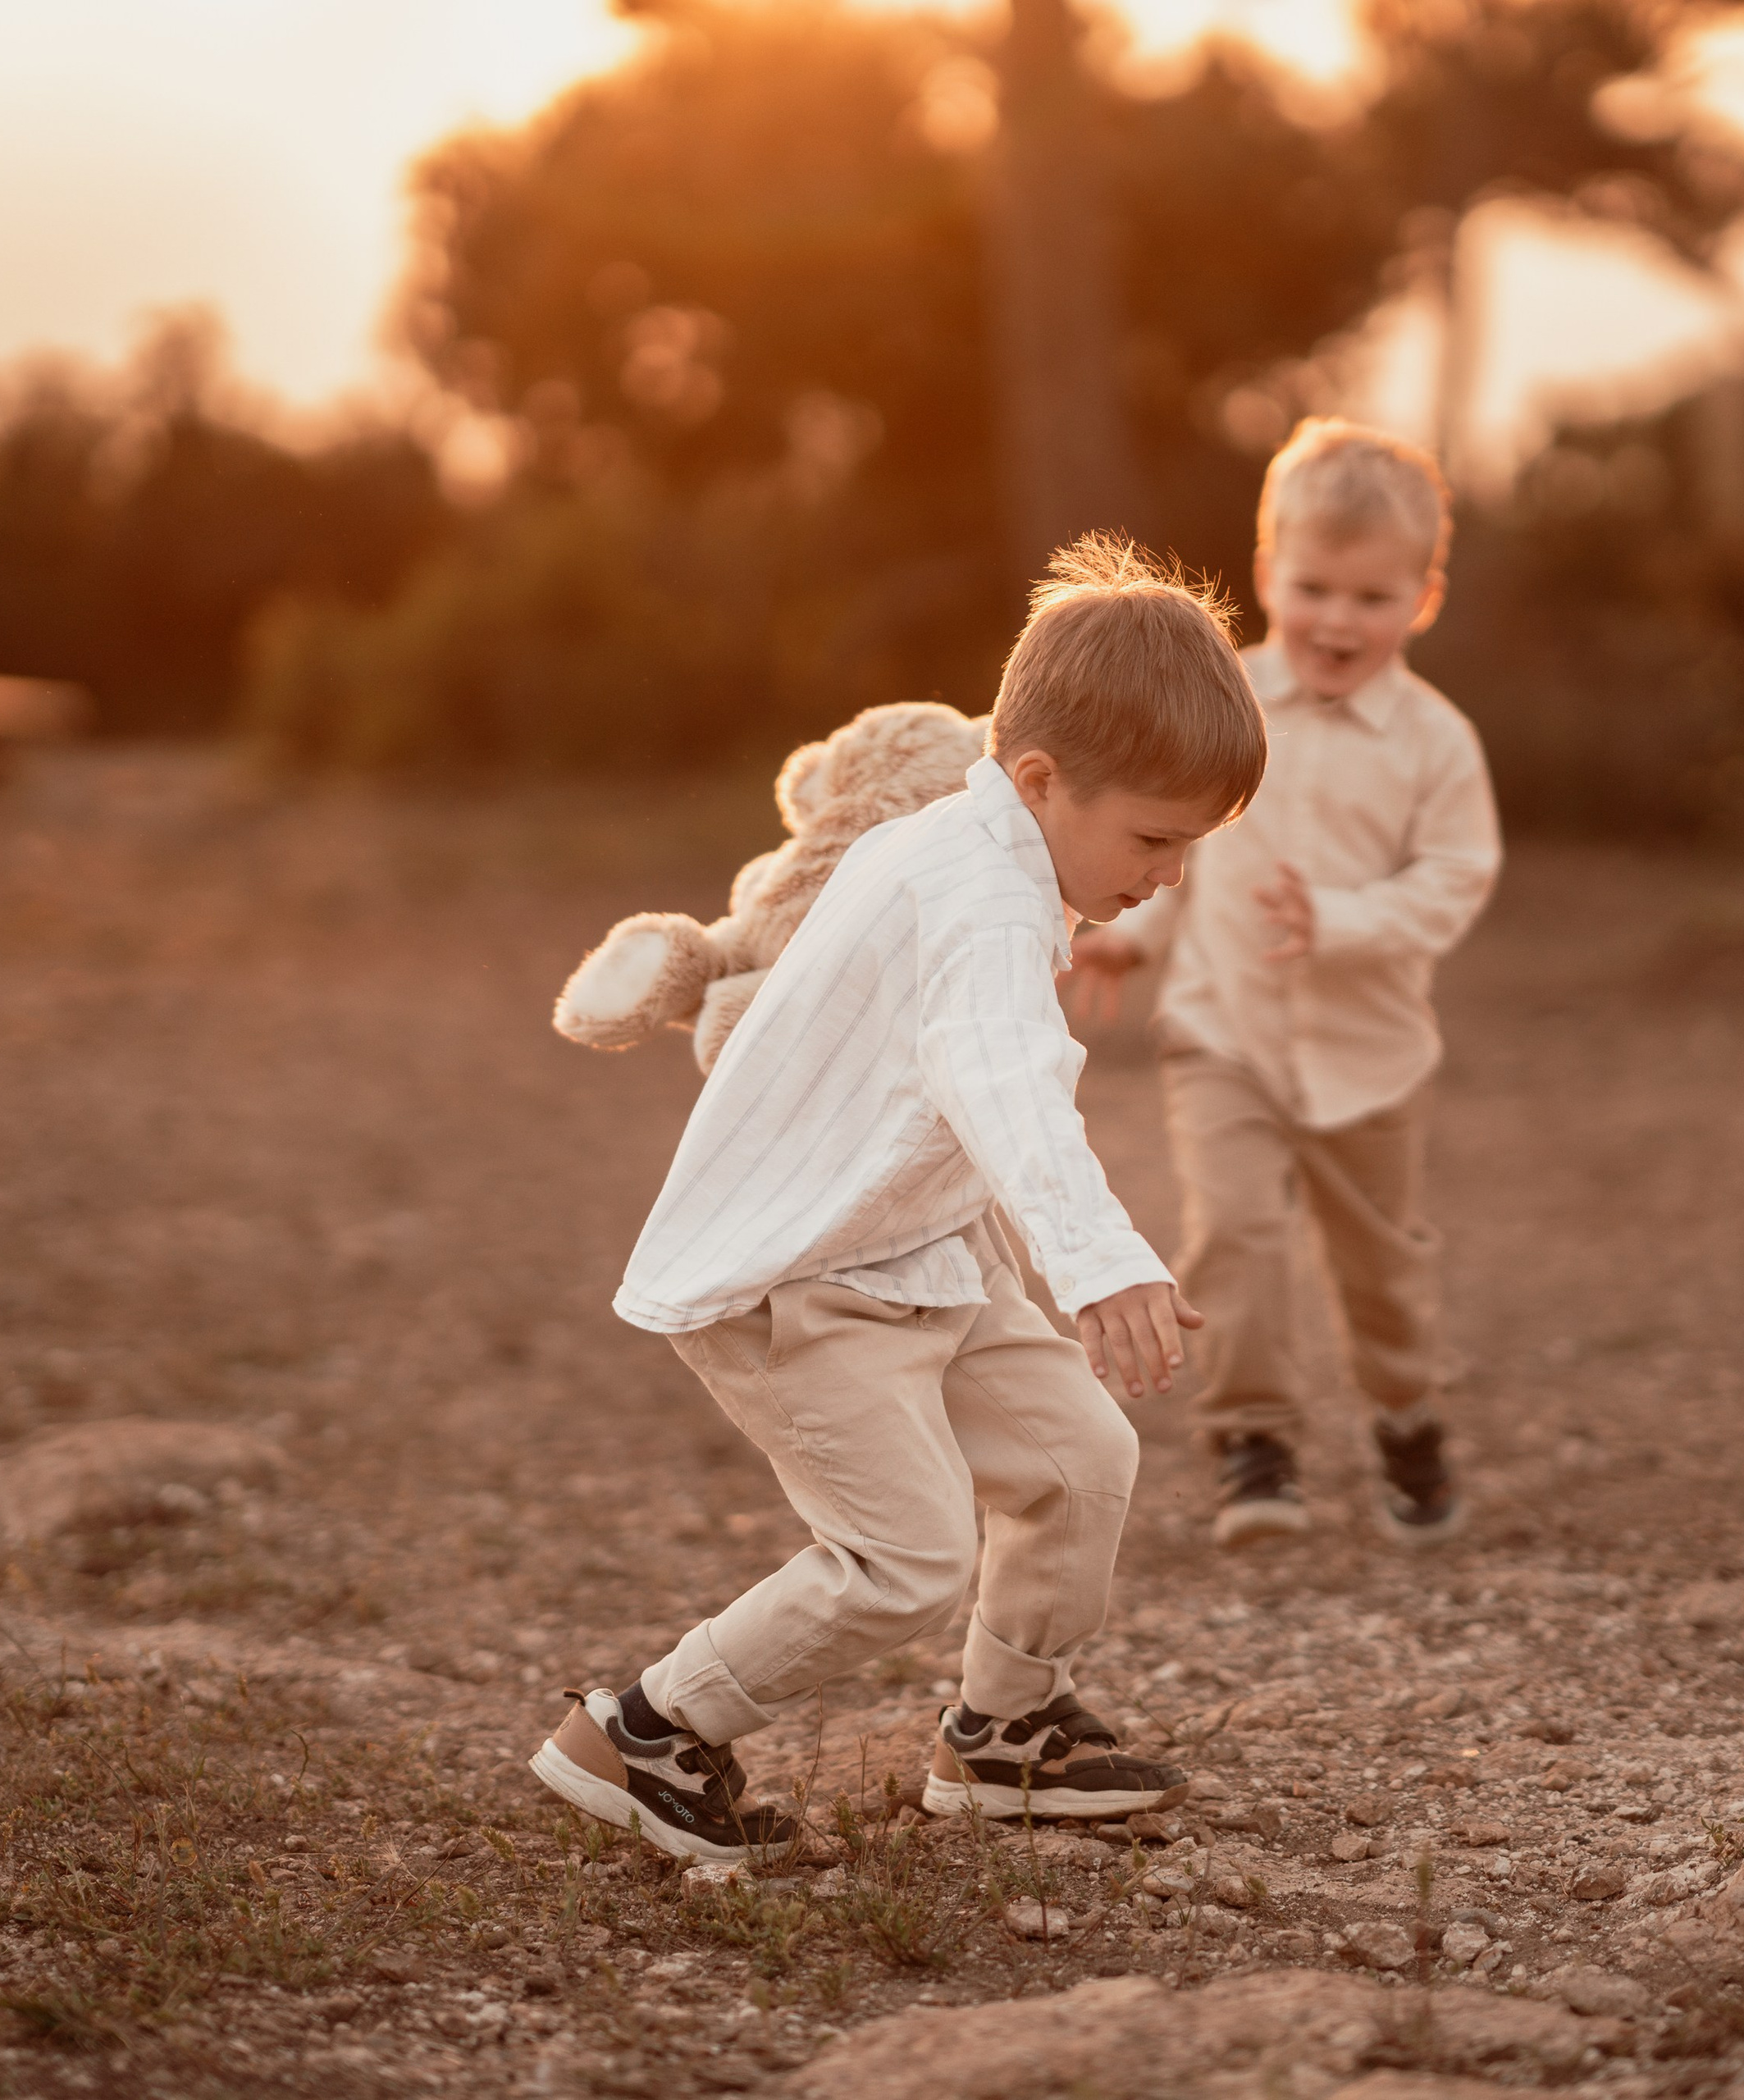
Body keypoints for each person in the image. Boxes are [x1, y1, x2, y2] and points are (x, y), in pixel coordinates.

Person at [530, 536, 1268, 1863]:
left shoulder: (988, 846)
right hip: (796, 1276)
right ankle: (645, 1730)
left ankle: (1005, 1735)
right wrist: (1101, 1265)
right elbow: (1008, 1086)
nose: (1168, 874)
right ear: (1039, 780)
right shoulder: (978, 901)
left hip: (918, 1248)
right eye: (1155, 838)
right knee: (905, 1555)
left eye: (1191, 846)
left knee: (1079, 1459)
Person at [1066, 420, 1502, 1551]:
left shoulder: (1436, 743)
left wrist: (1344, 921)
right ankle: (1251, 1439)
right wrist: (1129, 936)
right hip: (1227, 1035)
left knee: (1383, 1265)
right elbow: (1180, 844)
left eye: (1371, 597)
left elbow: (1458, 878)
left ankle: (1406, 1415)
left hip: (1371, 1057)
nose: (1338, 621)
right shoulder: (1226, 705)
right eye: (1314, 588)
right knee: (1234, 1235)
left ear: (1423, 597)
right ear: (1268, 577)